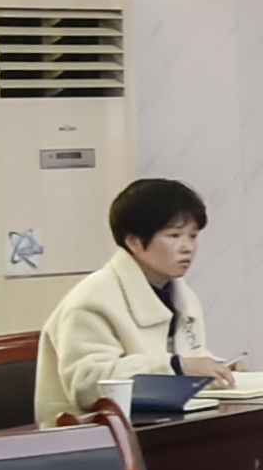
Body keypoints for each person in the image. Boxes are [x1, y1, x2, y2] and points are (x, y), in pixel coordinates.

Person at [31, 178, 237, 427]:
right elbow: (88, 386)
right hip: (93, 437)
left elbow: (190, 356)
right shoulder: (91, 300)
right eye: (174, 235)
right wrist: (175, 367)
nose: (188, 248)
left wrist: (220, 368)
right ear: (134, 242)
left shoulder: (182, 296)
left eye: (193, 236)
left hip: (165, 425)